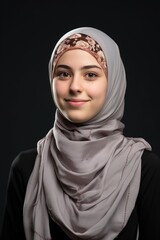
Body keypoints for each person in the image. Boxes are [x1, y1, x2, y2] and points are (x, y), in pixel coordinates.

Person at [1, 26, 160, 240]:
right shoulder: (27, 168)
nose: (75, 86)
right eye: (64, 73)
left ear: (113, 83)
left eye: (91, 74)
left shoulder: (143, 168)